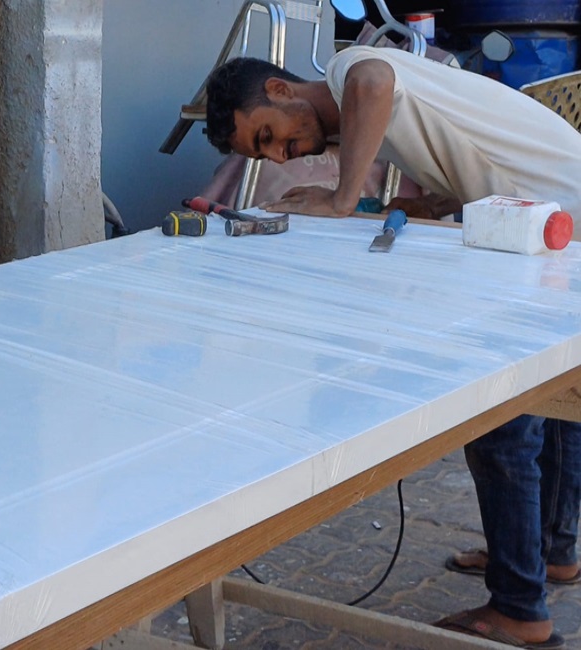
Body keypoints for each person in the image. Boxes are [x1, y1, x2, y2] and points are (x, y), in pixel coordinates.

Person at [204, 48, 581, 649]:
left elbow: (373, 81)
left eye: (269, 136)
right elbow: (470, 152)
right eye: (263, 154)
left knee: (502, 416)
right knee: (554, 393)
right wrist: (426, 204)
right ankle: (550, 552)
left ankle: (520, 608)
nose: (280, 156)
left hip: (550, 225)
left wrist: (341, 199)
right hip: (552, 215)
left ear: (279, 89)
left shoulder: (350, 70)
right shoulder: (374, 107)